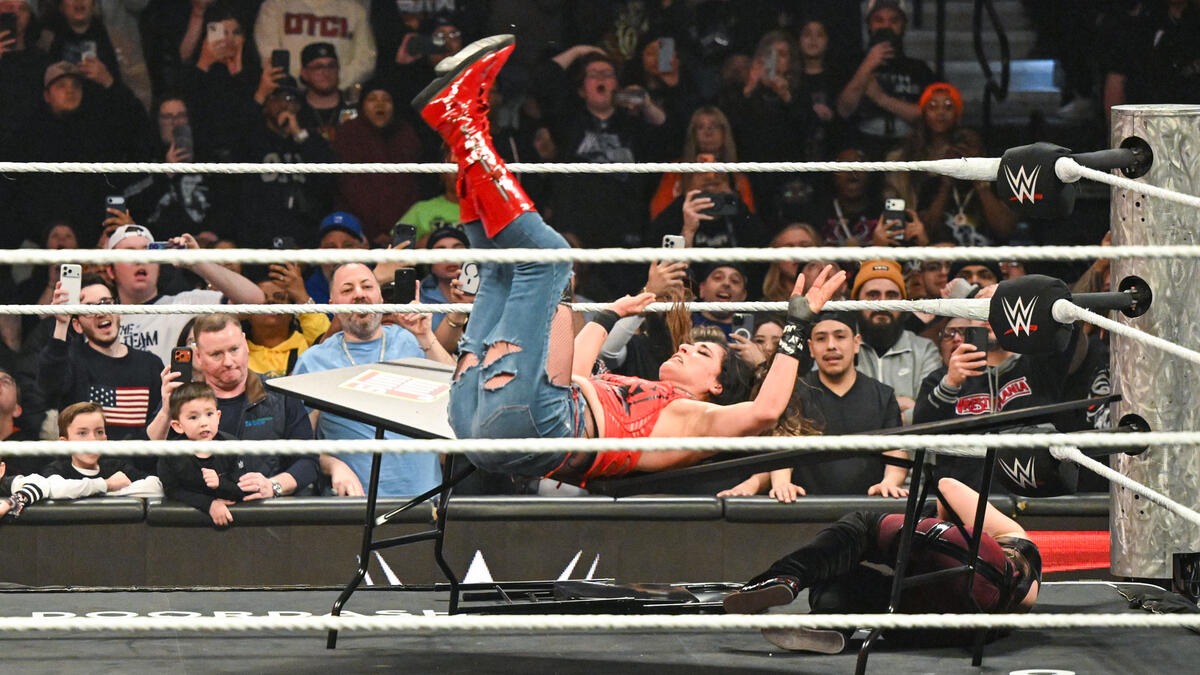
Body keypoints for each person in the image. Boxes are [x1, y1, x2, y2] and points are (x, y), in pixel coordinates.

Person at [416, 35, 846, 486]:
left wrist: (798, 324)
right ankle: (459, 125)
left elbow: (766, 411)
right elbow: (575, 373)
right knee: (500, 271)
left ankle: (465, 126)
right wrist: (607, 317)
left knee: (551, 261)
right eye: (692, 344)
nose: (685, 347)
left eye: (701, 352)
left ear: (715, 387)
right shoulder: (634, 389)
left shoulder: (693, 420)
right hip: (477, 420)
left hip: (534, 425)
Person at [723, 477, 1042, 654]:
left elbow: (947, 485)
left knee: (862, 526)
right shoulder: (1021, 587)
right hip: (968, 628)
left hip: (980, 560)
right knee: (852, 583)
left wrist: (933, 520)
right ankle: (831, 623)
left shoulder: (1009, 533)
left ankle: (783, 576)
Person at [292, 262, 451, 497]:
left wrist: (425, 335)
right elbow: (296, 444)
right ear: (332, 306)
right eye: (347, 289)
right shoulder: (314, 360)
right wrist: (333, 465)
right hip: (353, 503)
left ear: (381, 297)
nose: (359, 294)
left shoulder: (412, 342)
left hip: (426, 500)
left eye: (367, 286)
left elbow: (460, 392)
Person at [719, 311, 906, 500]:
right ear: (810, 347)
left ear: (856, 343)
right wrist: (782, 483)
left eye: (840, 337)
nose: (831, 346)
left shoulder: (882, 394)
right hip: (804, 505)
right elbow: (783, 445)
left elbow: (895, 450)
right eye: (821, 339)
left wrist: (890, 482)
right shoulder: (794, 391)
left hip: (868, 504)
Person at [148, 314, 320, 499]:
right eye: (216, 354)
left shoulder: (281, 395)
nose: (228, 362)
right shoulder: (182, 399)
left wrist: (273, 486)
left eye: (234, 349)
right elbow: (148, 460)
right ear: (198, 356)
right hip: (200, 512)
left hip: (266, 510)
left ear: (245, 344)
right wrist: (166, 411)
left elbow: (308, 461)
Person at [104, 223, 266, 368]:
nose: (141, 260)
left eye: (148, 252)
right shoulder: (101, 317)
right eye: (129, 253)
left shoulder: (185, 303)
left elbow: (255, 301)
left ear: (158, 265)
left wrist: (197, 262)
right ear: (111, 271)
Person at [39, 273, 164, 441]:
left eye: (106, 303)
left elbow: (160, 427)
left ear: (119, 311)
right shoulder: (71, 361)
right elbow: (49, 387)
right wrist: (61, 324)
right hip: (85, 457)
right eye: (89, 309)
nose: (100, 312)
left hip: (138, 457)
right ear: (77, 325)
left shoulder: (151, 364)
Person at [1, 402, 163, 520]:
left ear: (106, 438)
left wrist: (103, 493)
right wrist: (106, 485)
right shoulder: (57, 469)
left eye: (99, 432)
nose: (92, 439)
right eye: (82, 433)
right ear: (65, 443)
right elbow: (55, 488)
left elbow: (155, 486)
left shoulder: (116, 466)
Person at [331, 78, 424, 247]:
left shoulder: (406, 134)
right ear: (362, 105)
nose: (379, 105)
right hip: (356, 232)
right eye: (372, 99)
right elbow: (346, 188)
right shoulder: (348, 134)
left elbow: (412, 187)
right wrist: (371, 231)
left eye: (386, 99)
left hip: (401, 232)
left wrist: (395, 232)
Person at [836, 0, 934, 157]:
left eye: (894, 20)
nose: (886, 26)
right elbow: (843, 110)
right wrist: (867, 66)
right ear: (869, 25)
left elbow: (928, 116)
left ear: (903, 26)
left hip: (907, 150)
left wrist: (881, 98)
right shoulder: (853, 65)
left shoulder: (919, 69)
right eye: (879, 20)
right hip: (862, 150)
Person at [850, 260, 941, 423]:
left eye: (891, 296)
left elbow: (929, 413)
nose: (883, 304)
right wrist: (900, 407)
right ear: (856, 302)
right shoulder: (840, 347)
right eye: (873, 295)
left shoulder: (924, 350)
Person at [157, 382, 250, 526]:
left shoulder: (232, 446)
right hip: (184, 527)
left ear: (218, 416)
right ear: (178, 426)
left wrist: (220, 484)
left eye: (209, 414)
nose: (204, 423)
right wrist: (209, 504)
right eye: (193, 417)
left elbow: (242, 490)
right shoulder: (171, 453)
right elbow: (172, 491)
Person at [254, 0, 376, 88]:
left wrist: (331, 80)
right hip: (289, 95)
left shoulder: (354, 10)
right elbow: (269, 54)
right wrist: (299, 80)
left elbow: (366, 58)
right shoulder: (275, 6)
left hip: (339, 97)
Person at [246, 264, 330, 379]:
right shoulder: (237, 347)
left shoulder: (308, 345)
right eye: (261, 298)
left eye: (279, 297)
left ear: (292, 312)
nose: (271, 301)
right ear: (246, 313)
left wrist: (301, 296)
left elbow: (329, 341)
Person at [296, 41, 353, 141]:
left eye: (331, 66)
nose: (326, 73)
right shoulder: (295, 108)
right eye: (318, 67)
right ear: (304, 73)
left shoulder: (353, 105)